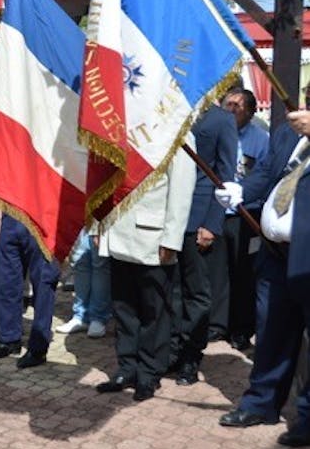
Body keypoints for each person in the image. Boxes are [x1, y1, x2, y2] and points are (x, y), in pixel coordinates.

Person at [215, 110, 310, 448]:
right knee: (270, 331)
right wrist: (240, 190)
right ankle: (261, 403)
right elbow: (269, 171)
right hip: (275, 255)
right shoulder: (287, 133)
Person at [96, 144, 196, 401]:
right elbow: (103, 178)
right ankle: (127, 368)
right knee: (123, 308)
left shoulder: (177, 129)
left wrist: (172, 239)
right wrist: (98, 226)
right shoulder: (119, 127)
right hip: (118, 231)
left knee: (154, 312)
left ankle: (149, 373)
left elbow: (181, 190)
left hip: (153, 237)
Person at [170, 104, 237, 386]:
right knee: (170, 291)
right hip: (168, 215)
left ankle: (190, 357)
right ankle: (170, 351)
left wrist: (212, 222)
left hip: (198, 218)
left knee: (196, 293)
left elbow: (226, 176)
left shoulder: (221, 120)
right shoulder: (171, 107)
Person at [208, 88, 269, 351]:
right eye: (227, 104)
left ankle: (242, 328)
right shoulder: (216, 134)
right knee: (217, 272)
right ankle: (217, 325)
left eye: (237, 106)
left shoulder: (261, 139)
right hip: (219, 213)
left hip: (248, 214)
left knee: (244, 272)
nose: (231, 110)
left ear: (251, 111)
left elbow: (266, 175)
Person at [0, 213, 60, 368]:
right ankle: (8, 339)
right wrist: (0, 219)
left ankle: (38, 348)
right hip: (11, 216)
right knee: (6, 283)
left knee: (43, 284)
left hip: (43, 218)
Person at [57, 230, 111, 338]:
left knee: (100, 263)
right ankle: (80, 316)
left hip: (101, 218)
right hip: (82, 219)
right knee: (80, 261)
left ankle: (98, 317)